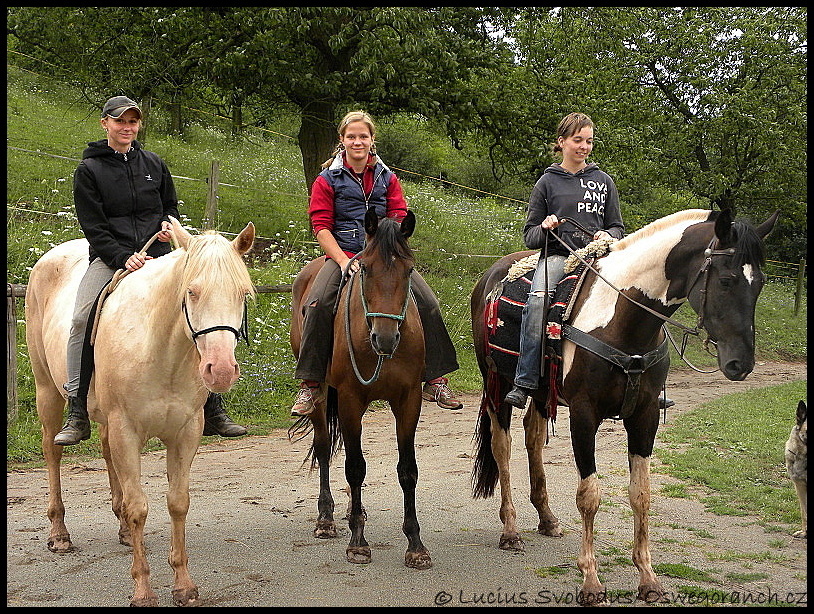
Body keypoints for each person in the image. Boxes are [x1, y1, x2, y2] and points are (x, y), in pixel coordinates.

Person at [54, 95, 246, 445]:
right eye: (120, 121)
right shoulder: (89, 171)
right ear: (105, 124)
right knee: (83, 316)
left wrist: (167, 232)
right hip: (112, 259)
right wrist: (121, 256)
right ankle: (77, 406)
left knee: (199, 307)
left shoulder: (154, 163)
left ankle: (212, 405)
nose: (127, 127)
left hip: (159, 255)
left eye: (132, 122)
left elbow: (169, 208)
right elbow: (93, 225)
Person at [291, 110, 462, 416]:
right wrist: (343, 261)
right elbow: (321, 226)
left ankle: (435, 378)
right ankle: (310, 384)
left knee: (429, 303)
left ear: (372, 141)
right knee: (316, 303)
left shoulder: (387, 177)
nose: (358, 141)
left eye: (363, 136)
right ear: (342, 141)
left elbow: (398, 213)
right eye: (351, 136)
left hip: (384, 256)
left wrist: (390, 249)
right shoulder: (327, 179)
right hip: (342, 253)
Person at [504, 112, 625, 409]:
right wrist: (545, 228)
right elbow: (530, 236)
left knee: (635, 296)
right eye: (578, 140)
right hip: (559, 258)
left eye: (589, 141)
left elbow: (618, 227)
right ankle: (526, 380)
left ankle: (646, 381)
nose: (584, 146)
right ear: (562, 142)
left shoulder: (604, 181)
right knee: (537, 300)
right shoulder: (546, 182)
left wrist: (606, 234)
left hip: (599, 259)